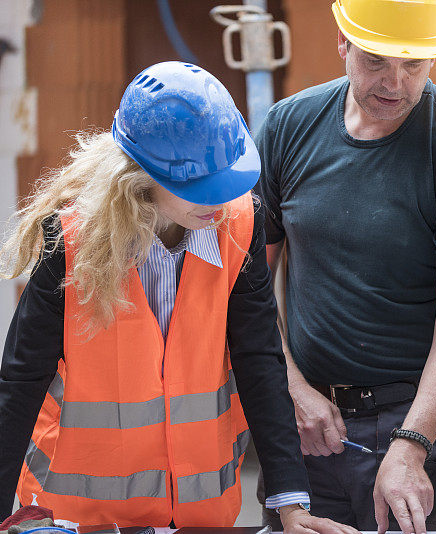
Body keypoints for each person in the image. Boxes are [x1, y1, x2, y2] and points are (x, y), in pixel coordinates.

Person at [0, 61, 358, 534]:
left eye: (225, 177)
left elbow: (260, 360)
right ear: (138, 176)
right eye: (199, 186)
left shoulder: (240, 223)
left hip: (199, 518)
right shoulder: (69, 242)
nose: (218, 199)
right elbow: (20, 385)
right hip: (79, 519)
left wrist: (292, 505)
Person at [253, 1, 436, 532]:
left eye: (414, 65)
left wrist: (411, 446)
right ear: (343, 41)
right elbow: (248, 284)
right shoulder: (287, 127)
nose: (396, 82)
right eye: (376, 61)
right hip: (312, 417)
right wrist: (292, 390)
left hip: (424, 417)